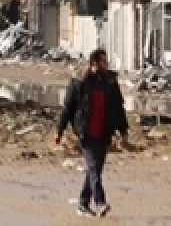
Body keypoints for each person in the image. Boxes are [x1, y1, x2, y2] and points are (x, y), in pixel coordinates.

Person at [56, 49, 130, 218]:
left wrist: (123, 130)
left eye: (106, 61)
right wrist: (59, 131)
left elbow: (118, 107)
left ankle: (82, 203)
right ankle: (100, 202)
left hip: (104, 132)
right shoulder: (80, 82)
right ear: (94, 63)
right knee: (94, 168)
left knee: (94, 170)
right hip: (86, 133)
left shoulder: (110, 82)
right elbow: (68, 108)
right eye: (103, 62)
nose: (106, 65)